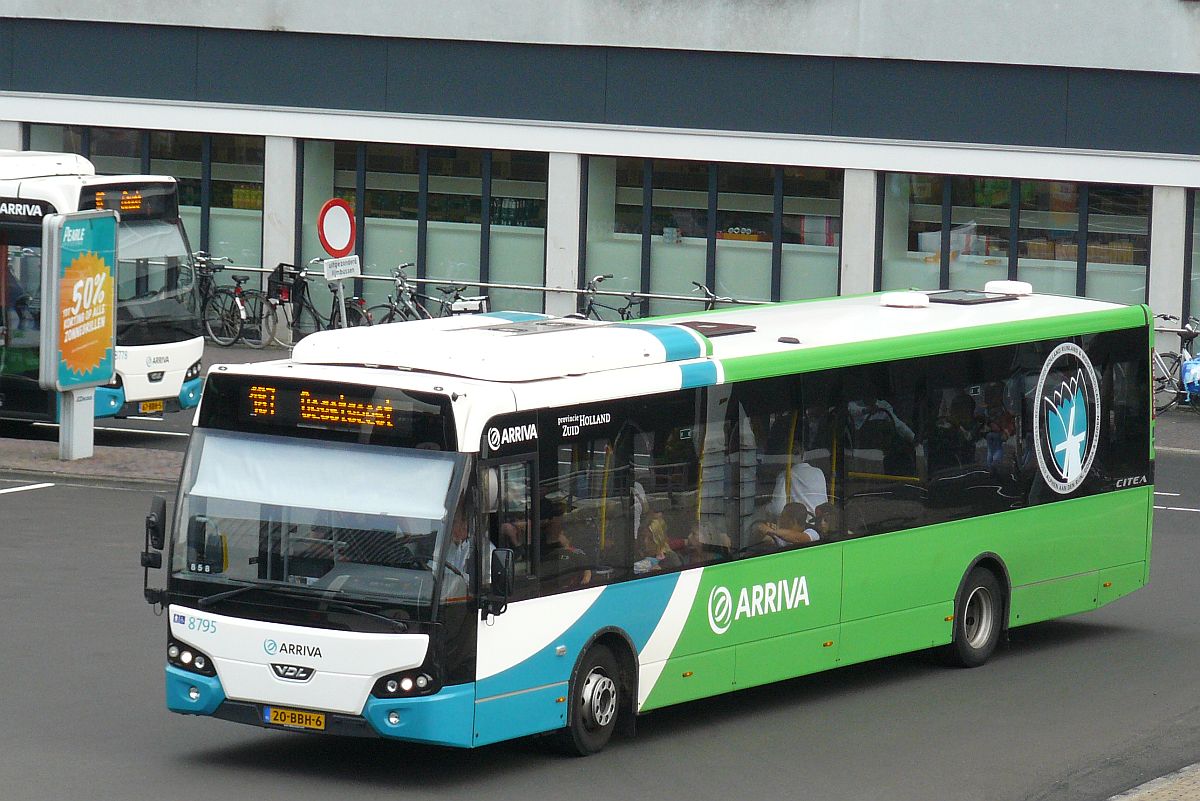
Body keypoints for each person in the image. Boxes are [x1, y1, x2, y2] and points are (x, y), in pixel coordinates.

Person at [446, 510, 494, 585]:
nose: (450, 527)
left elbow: (485, 585)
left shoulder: (485, 550)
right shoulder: (447, 547)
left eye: (454, 522)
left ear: (466, 524)